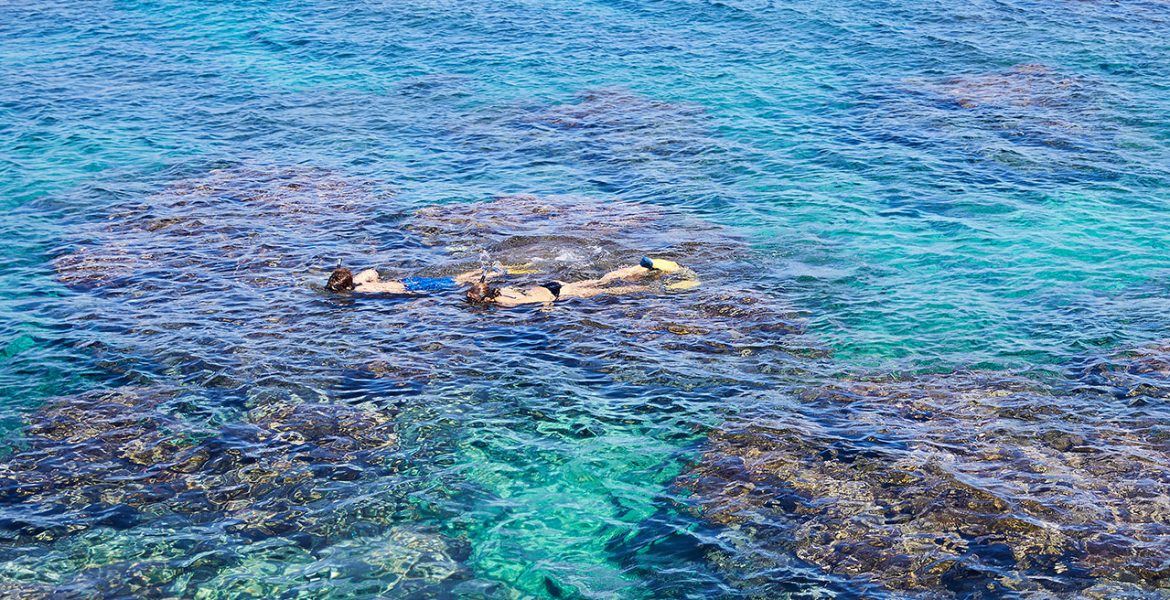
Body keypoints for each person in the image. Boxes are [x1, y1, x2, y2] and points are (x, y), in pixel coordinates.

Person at [466, 256, 695, 307]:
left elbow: (535, 304)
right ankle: (641, 267)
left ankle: (653, 286)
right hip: (553, 284)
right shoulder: (502, 289)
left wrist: (548, 311)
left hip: (556, 296)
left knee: (617, 292)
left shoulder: (503, 303)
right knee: (602, 280)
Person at [325, 266, 489, 294]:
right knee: (453, 279)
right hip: (406, 280)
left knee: (456, 281)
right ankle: (482, 271)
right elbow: (372, 272)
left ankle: (490, 273)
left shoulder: (361, 289)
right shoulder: (359, 281)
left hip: (409, 286)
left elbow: (396, 291)